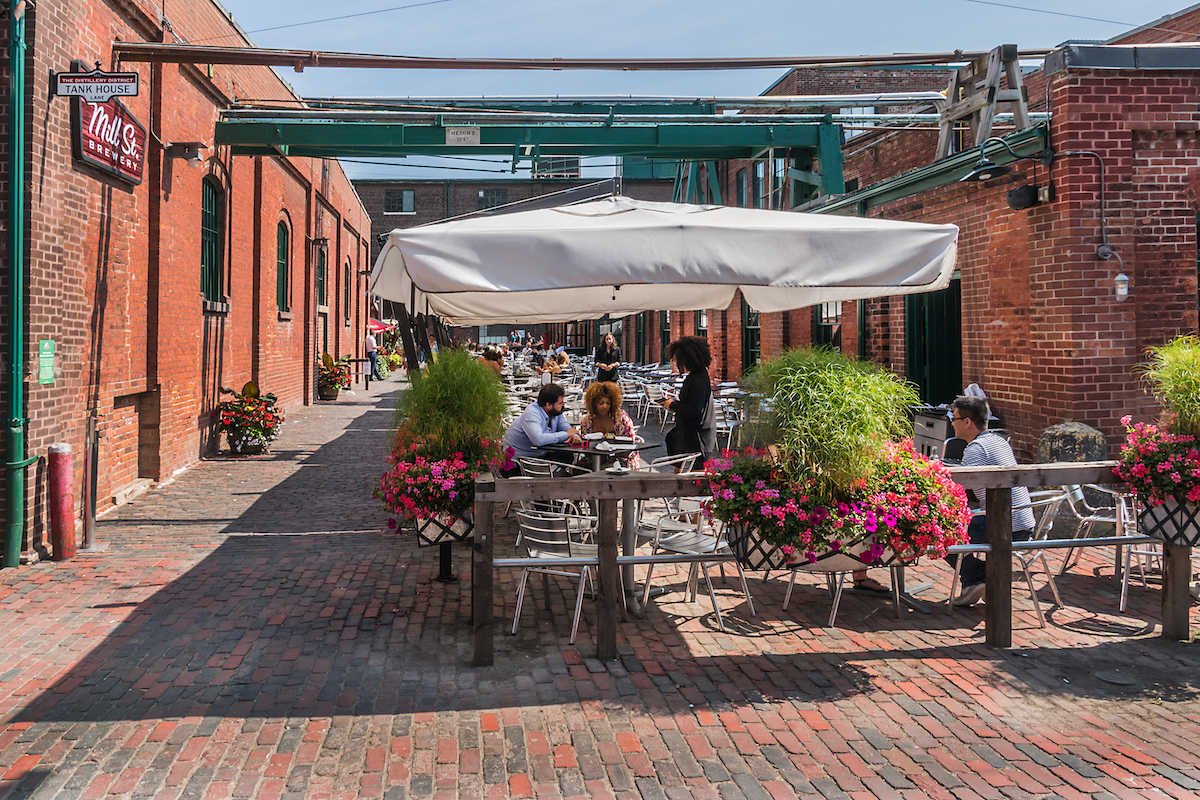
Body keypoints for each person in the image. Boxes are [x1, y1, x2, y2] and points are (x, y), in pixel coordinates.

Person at [946, 396, 1035, 607]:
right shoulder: (998, 441)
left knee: (940, 533)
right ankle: (978, 580)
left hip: (1004, 525)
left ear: (967, 422)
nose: (951, 423)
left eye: (955, 418)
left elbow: (957, 492)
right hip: (1024, 522)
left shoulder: (975, 449)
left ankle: (978, 578)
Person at [502, 383, 583, 476]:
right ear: (548, 405)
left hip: (537, 457)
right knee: (566, 477)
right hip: (518, 464)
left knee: (567, 455)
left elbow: (568, 429)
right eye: (560, 403)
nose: (563, 405)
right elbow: (538, 440)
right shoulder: (532, 413)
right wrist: (566, 434)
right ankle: (556, 480)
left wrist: (575, 435)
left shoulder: (555, 412)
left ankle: (556, 476)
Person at [658, 335, 716, 464]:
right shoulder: (696, 376)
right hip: (690, 434)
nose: (679, 363)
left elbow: (695, 410)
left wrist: (672, 405)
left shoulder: (699, 380)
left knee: (696, 475)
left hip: (698, 438)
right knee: (680, 467)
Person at [580, 381, 639, 469]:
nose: (605, 406)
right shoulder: (587, 421)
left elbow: (630, 445)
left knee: (604, 470)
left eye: (608, 403)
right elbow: (584, 446)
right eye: (601, 403)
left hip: (622, 458)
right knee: (578, 469)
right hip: (595, 458)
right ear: (593, 403)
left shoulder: (622, 419)